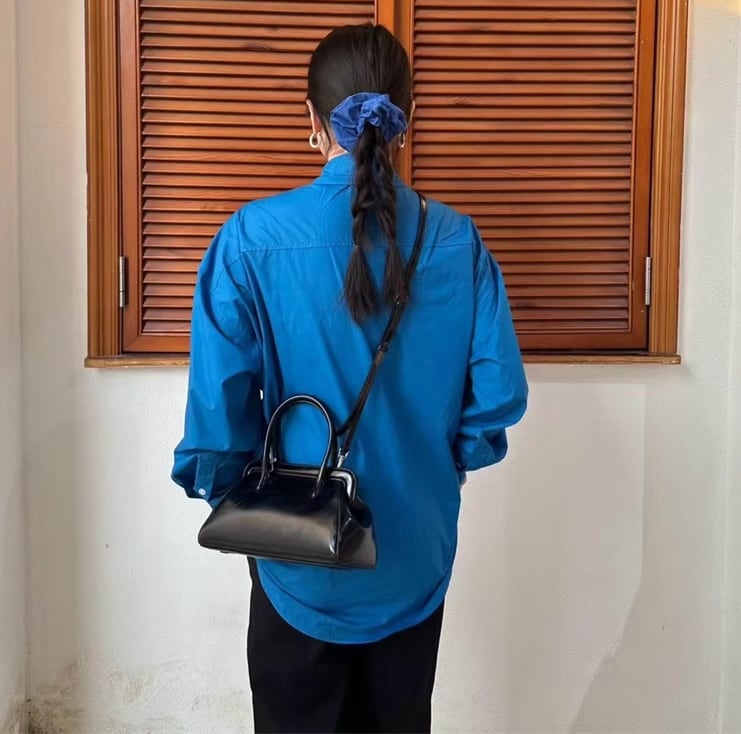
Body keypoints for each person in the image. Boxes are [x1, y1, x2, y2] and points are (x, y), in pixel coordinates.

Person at [172, 22, 528, 734]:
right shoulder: (457, 240)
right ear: (406, 119)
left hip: (295, 549)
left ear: (311, 119)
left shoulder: (251, 238)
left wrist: (234, 494)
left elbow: (218, 419)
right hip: (413, 547)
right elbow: (496, 397)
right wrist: (443, 466)